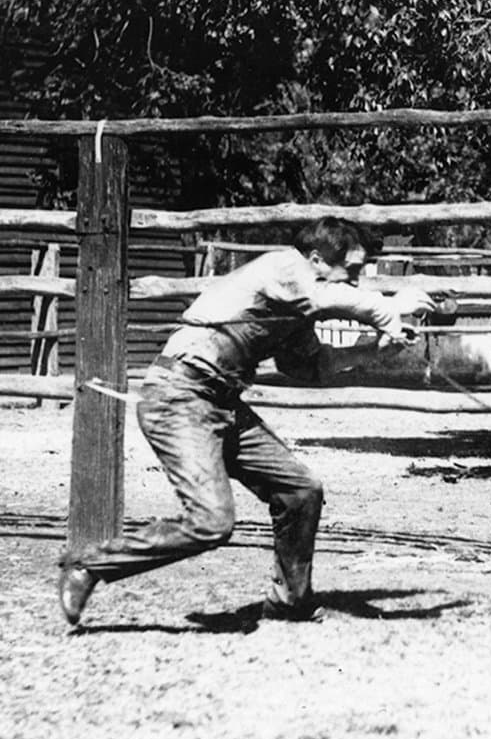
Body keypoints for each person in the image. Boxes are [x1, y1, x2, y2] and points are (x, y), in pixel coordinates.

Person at [58, 217, 438, 626]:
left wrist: (372, 351)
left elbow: (309, 366)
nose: (359, 282)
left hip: (221, 401)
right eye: (354, 271)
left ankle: (289, 600)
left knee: (300, 491)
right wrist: (393, 306)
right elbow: (332, 297)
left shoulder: (296, 306)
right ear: (316, 260)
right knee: (210, 522)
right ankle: (89, 566)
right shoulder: (285, 268)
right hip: (179, 395)